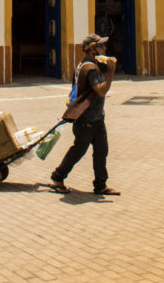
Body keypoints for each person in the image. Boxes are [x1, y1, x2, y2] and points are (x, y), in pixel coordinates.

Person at [50, 33, 120, 195]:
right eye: (101, 46)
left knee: (102, 150)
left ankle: (100, 184)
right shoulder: (89, 68)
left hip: (96, 118)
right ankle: (58, 177)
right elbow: (101, 91)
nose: (105, 48)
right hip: (86, 119)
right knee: (78, 151)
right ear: (92, 50)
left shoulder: (91, 64)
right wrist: (111, 72)